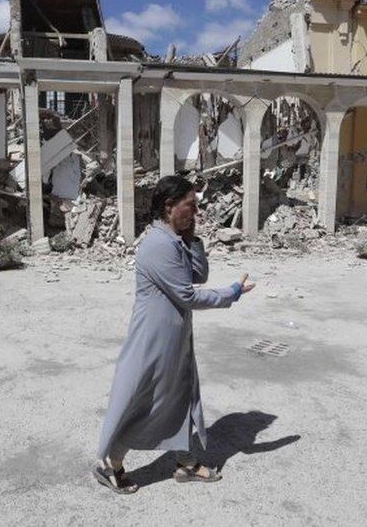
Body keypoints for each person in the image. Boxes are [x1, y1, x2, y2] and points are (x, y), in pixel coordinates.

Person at [93, 175, 255, 494]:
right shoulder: (157, 243)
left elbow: (198, 273)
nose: (195, 211)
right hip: (154, 340)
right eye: (190, 206)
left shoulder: (175, 239)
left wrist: (193, 237)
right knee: (145, 402)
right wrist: (232, 292)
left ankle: (185, 463)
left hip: (175, 339)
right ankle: (109, 464)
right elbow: (188, 295)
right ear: (169, 206)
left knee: (181, 398)